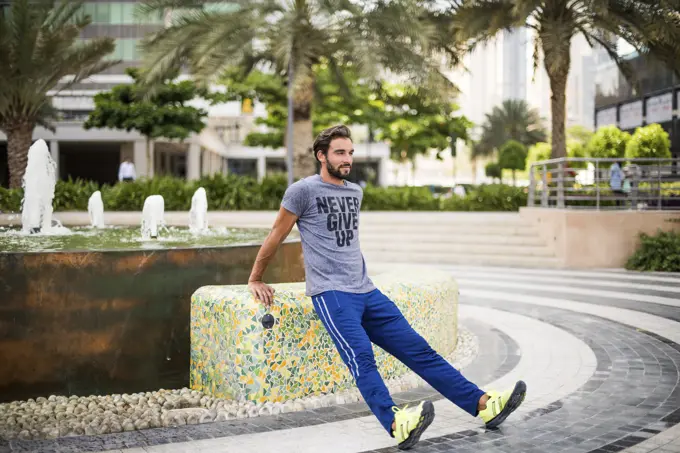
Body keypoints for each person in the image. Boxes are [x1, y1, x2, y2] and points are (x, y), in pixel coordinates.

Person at [247, 125, 526, 450]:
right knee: (362, 358)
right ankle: (396, 423)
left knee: (420, 350)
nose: (347, 158)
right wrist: (255, 277)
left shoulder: (354, 192)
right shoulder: (302, 192)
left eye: (350, 152)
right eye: (340, 152)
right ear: (321, 156)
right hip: (332, 294)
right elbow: (276, 235)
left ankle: (483, 404)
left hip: (367, 292)